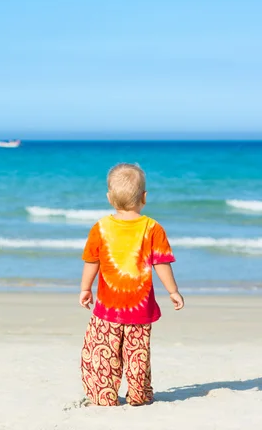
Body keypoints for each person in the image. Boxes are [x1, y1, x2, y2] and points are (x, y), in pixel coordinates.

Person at [79, 163, 184, 406]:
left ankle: (104, 395)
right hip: (140, 307)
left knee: (102, 352)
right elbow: (162, 263)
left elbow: (91, 261)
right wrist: (173, 291)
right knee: (138, 354)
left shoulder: (101, 227)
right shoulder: (152, 228)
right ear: (144, 197)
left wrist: (85, 288)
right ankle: (139, 394)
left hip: (108, 308)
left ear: (109, 198)